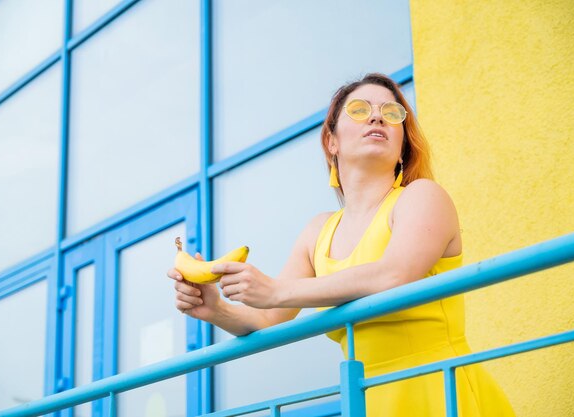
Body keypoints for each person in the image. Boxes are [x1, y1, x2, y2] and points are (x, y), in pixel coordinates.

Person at [167, 73, 516, 416]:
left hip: (440, 391)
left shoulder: (423, 197)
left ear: (402, 147)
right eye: (360, 110)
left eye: (392, 113)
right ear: (331, 142)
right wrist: (216, 310)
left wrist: (276, 289)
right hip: (367, 399)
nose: (377, 115)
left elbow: (393, 275)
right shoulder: (318, 230)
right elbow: (269, 318)